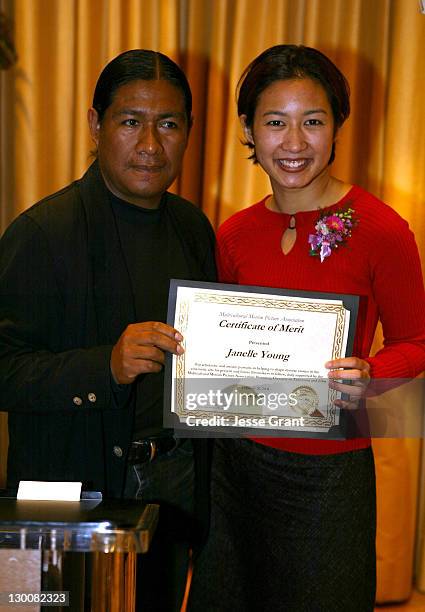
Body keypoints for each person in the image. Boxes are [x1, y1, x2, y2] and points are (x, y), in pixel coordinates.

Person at [188, 45, 425, 611]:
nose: (294, 143)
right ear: (248, 129)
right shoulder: (234, 235)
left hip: (330, 478)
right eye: (275, 122)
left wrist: (371, 374)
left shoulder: (382, 229)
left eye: (312, 121)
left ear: (337, 124)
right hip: (237, 470)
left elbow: (417, 341)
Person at [0, 49, 216, 610]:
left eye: (168, 124)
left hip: (171, 481)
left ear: (189, 132)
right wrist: (105, 367)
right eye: (130, 121)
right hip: (63, 493)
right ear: (96, 125)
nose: (150, 144)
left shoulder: (194, 228)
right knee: (45, 607)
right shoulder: (42, 233)